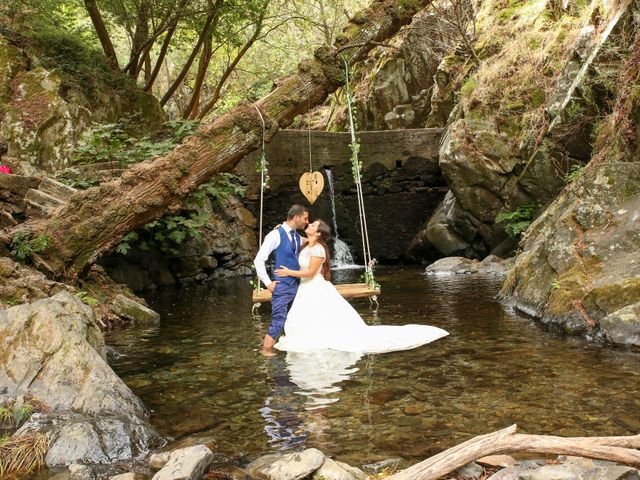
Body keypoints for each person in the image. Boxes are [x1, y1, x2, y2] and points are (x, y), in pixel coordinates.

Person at [273, 220, 449, 353]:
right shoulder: (307, 243)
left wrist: (289, 272)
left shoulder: (318, 249)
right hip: (306, 288)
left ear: (318, 233)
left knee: (319, 317)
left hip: (313, 285)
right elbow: (294, 237)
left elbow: (311, 273)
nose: (309, 224)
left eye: (313, 224)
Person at [254, 204, 309, 355]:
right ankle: (266, 354)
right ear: (296, 217)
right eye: (305, 218)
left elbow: (314, 239)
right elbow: (259, 260)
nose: (307, 222)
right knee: (278, 321)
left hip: (297, 287)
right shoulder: (275, 235)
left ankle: (283, 357)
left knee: (292, 321)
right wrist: (268, 284)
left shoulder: (297, 236)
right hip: (282, 286)